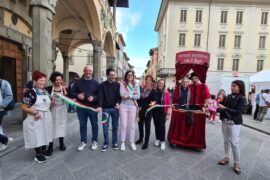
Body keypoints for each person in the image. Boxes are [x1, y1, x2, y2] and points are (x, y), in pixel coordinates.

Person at [21, 71, 54, 163]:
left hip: (46, 116)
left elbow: (49, 106)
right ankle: (38, 154)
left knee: (45, 134)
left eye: (44, 80)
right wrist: (34, 112)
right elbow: (23, 106)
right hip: (36, 117)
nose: (43, 82)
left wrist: (53, 101)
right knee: (37, 135)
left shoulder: (46, 92)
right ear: (35, 81)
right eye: (40, 80)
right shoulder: (31, 92)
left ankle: (43, 151)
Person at [217, 80, 247, 175]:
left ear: (240, 87)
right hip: (225, 121)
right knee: (226, 141)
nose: (232, 87)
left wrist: (224, 108)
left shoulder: (242, 98)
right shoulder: (228, 96)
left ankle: (237, 164)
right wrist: (218, 101)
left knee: (234, 143)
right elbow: (220, 106)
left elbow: (238, 111)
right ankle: (226, 158)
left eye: (234, 86)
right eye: (231, 86)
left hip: (234, 123)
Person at [70, 65, 101, 151]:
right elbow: (71, 93)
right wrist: (77, 95)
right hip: (81, 108)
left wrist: (94, 98)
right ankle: (83, 141)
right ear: (83, 71)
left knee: (94, 125)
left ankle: (94, 141)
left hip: (92, 108)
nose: (88, 72)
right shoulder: (78, 82)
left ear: (92, 72)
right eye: (86, 70)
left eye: (90, 71)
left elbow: (99, 95)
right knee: (82, 125)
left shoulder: (96, 83)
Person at [98, 68, 121, 152]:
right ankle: (106, 143)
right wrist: (100, 106)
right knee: (105, 127)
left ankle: (115, 142)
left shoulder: (117, 85)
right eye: (111, 75)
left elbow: (119, 96)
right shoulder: (102, 85)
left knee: (115, 126)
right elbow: (100, 97)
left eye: (114, 75)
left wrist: (118, 102)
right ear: (107, 75)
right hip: (105, 109)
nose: (113, 77)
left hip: (115, 109)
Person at [46, 71, 68, 151]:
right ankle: (50, 145)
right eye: (56, 80)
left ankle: (61, 143)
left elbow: (68, 99)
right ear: (53, 80)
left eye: (60, 80)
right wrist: (52, 100)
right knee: (51, 127)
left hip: (62, 109)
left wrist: (65, 90)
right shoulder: (48, 89)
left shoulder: (64, 88)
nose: (58, 81)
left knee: (61, 126)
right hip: (53, 109)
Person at [119, 70, 140, 151]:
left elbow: (138, 96)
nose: (130, 76)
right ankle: (123, 142)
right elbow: (121, 94)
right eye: (128, 75)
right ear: (126, 76)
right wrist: (133, 93)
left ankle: (132, 142)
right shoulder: (122, 83)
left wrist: (128, 94)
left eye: (131, 75)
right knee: (123, 125)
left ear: (133, 75)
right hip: (123, 106)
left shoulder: (136, 84)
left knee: (132, 126)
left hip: (132, 106)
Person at [151, 79, 171, 150]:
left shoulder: (166, 92)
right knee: (156, 125)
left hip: (163, 111)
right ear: (157, 83)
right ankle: (157, 138)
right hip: (155, 111)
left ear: (164, 85)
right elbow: (151, 100)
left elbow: (168, 103)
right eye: (160, 83)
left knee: (162, 126)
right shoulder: (154, 91)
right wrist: (152, 102)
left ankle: (162, 141)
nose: (161, 84)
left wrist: (168, 113)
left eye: (162, 83)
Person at [136, 75, 155, 150]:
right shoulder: (140, 89)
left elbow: (154, 100)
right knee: (140, 125)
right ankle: (141, 138)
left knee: (147, 127)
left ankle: (146, 142)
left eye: (150, 80)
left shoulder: (153, 91)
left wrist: (154, 102)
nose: (148, 81)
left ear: (151, 82)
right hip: (140, 111)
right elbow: (138, 99)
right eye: (147, 79)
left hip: (148, 111)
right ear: (145, 80)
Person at [0, 78, 13, 151]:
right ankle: (3, 140)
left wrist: (1, 106)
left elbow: (9, 96)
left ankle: (4, 140)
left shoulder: (4, 83)